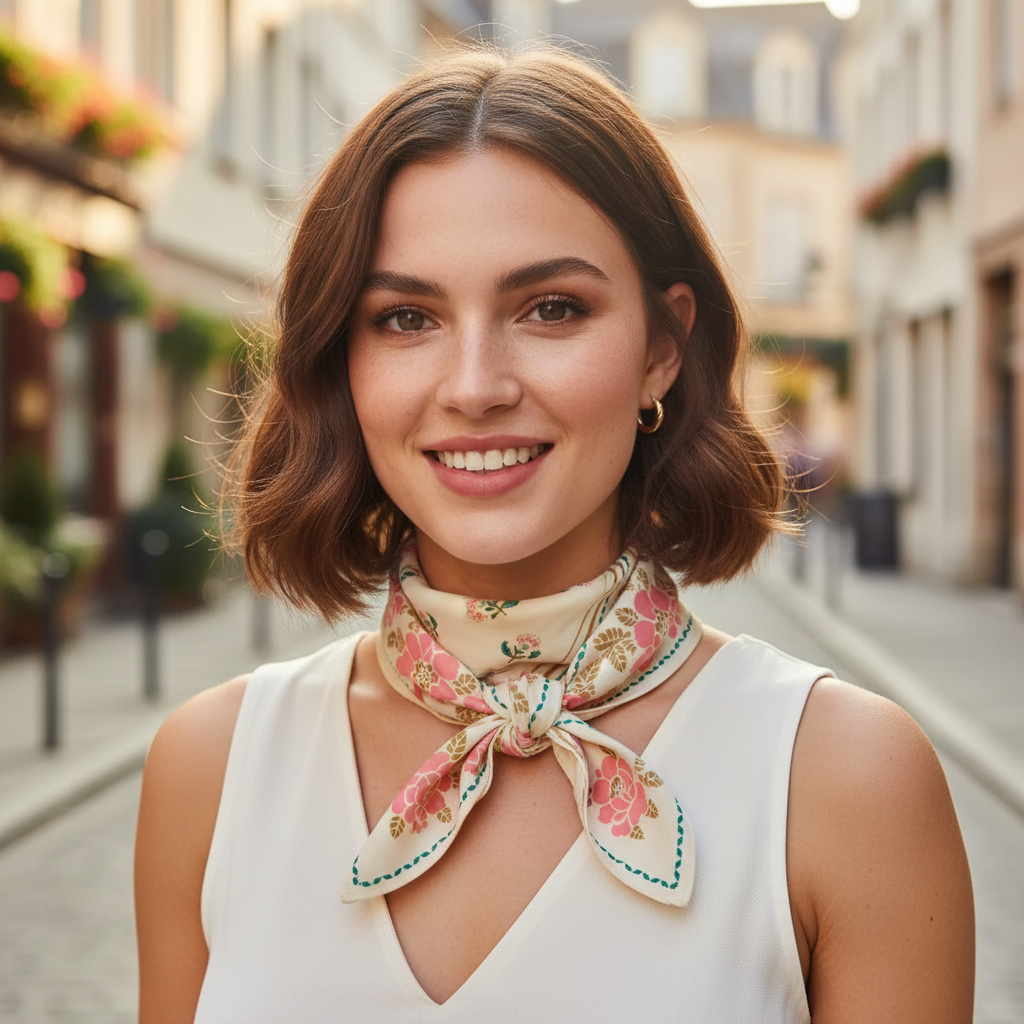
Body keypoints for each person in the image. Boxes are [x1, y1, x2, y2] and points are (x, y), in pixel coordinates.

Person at [134, 46, 974, 1023]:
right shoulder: (213, 766)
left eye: (551, 308)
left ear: (660, 346)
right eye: (407, 317)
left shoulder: (845, 777)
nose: (476, 384)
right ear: (342, 360)